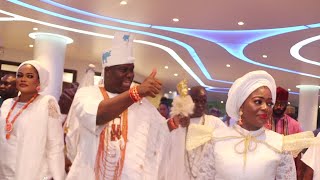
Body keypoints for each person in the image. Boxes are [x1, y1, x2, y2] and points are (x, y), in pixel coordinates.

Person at [66, 32, 170, 180]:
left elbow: (161, 134)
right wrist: (136, 92)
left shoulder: (143, 105)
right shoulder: (87, 94)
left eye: (131, 69)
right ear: (107, 71)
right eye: (123, 70)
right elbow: (98, 115)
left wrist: (177, 122)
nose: (130, 75)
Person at [188, 70, 296, 179]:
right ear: (241, 105)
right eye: (258, 101)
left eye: (269, 103)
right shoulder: (216, 139)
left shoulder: (280, 144)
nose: (265, 108)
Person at [0, 60, 65, 180]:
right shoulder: (7, 104)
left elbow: (55, 144)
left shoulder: (47, 103)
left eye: (29, 76)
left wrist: (57, 176)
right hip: (4, 170)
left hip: (32, 172)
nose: (23, 79)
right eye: (20, 75)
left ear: (39, 81)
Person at [159, 85, 226, 180]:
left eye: (203, 101)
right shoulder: (177, 121)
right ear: (188, 101)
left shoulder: (215, 123)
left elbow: (226, 144)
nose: (200, 105)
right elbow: (161, 137)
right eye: (196, 101)